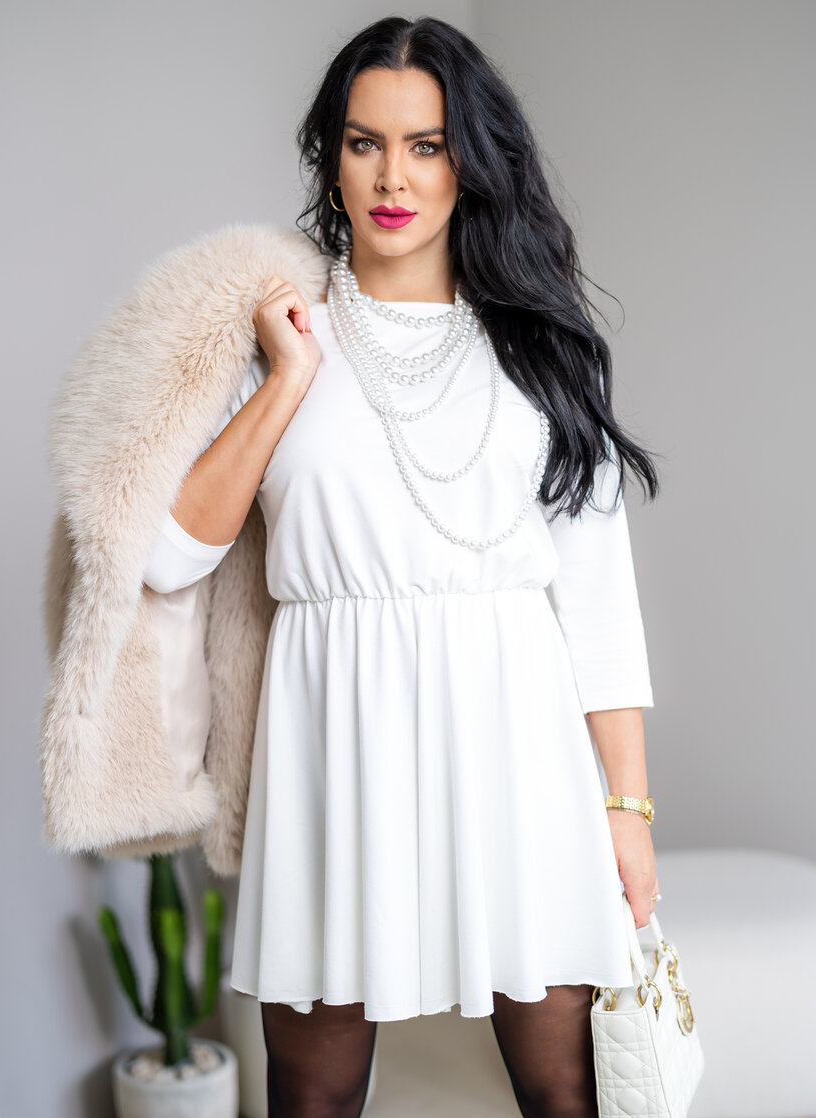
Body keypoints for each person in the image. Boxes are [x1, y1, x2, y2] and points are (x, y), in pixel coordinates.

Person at [137, 15, 660, 1118]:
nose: (393, 177)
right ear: (329, 156)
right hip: (333, 736)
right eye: (364, 142)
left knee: (564, 1089)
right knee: (312, 1095)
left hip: (517, 740)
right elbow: (172, 551)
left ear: (469, 160)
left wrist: (626, 808)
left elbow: (597, 605)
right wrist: (288, 375)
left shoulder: (541, 348)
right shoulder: (277, 335)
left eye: (426, 145)